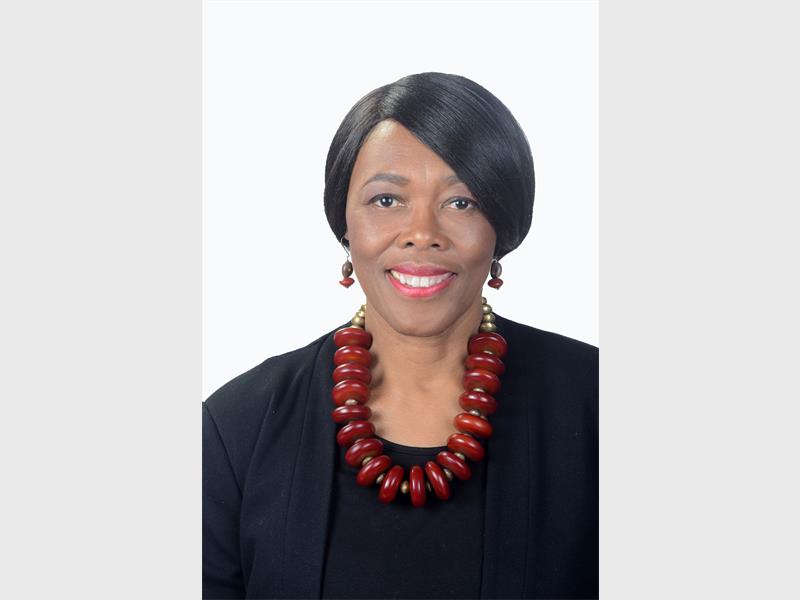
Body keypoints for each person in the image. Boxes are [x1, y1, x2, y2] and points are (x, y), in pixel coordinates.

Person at [203, 72, 598, 599]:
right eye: (387, 200)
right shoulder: (237, 427)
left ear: (501, 226)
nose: (422, 234)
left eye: (461, 202)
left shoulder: (597, 404)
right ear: (345, 223)